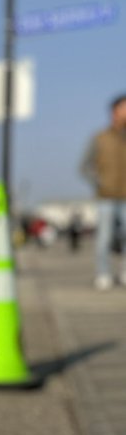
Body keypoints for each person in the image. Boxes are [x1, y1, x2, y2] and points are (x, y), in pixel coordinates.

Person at [81, 93, 126, 289]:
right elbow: (84, 167)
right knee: (104, 237)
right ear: (114, 111)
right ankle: (103, 273)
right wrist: (99, 183)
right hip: (106, 197)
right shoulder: (100, 138)